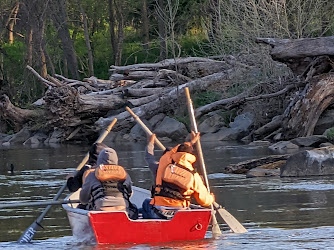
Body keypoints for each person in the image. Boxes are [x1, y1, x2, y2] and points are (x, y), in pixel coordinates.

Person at [141, 131, 215, 219]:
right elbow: (204, 201)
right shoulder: (194, 176)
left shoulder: (162, 165)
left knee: (146, 202)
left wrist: (150, 143)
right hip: (181, 212)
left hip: (158, 212)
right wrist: (211, 198)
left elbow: (150, 156)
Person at [79, 148, 138, 219]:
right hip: (122, 209)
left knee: (81, 207)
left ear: (99, 160)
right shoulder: (125, 174)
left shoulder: (92, 174)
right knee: (134, 208)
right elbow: (129, 193)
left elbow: (83, 199)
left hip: (101, 210)